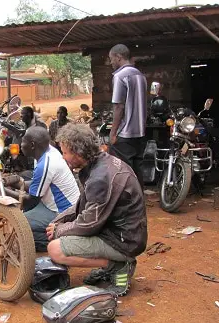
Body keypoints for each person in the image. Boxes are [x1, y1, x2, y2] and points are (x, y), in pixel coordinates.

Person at [46, 124, 147, 296]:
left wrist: (60, 230)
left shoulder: (100, 177)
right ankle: (110, 263)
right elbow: (83, 205)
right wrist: (59, 221)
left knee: (55, 249)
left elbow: (88, 224)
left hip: (124, 241)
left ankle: (117, 265)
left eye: (65, 153)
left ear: (78, 153)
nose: (63, 158)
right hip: (119, 231)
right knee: (61, 230)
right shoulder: (100, 163)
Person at [21, 126, 80, 252]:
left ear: (32, 145)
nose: (21, 145)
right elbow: (41, 183)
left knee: (18, 225)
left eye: (23, 141)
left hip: (62, 211)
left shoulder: (45, 164)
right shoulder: (49, 152)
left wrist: (14, 200)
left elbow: (32, 200)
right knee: (24, 178)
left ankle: (61, 240)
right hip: (58, 204)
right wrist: (18, 183)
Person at [108, 44, 148, 189]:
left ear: (118, 57)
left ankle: (125, 205)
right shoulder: (140, 76)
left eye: (111, 59)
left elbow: (119, 106)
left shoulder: (119, 76)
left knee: (121, 172)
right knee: (137, 171)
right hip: (140, 133)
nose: (111, 62)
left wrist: (112, 133)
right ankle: (139, 202)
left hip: (125, 134)